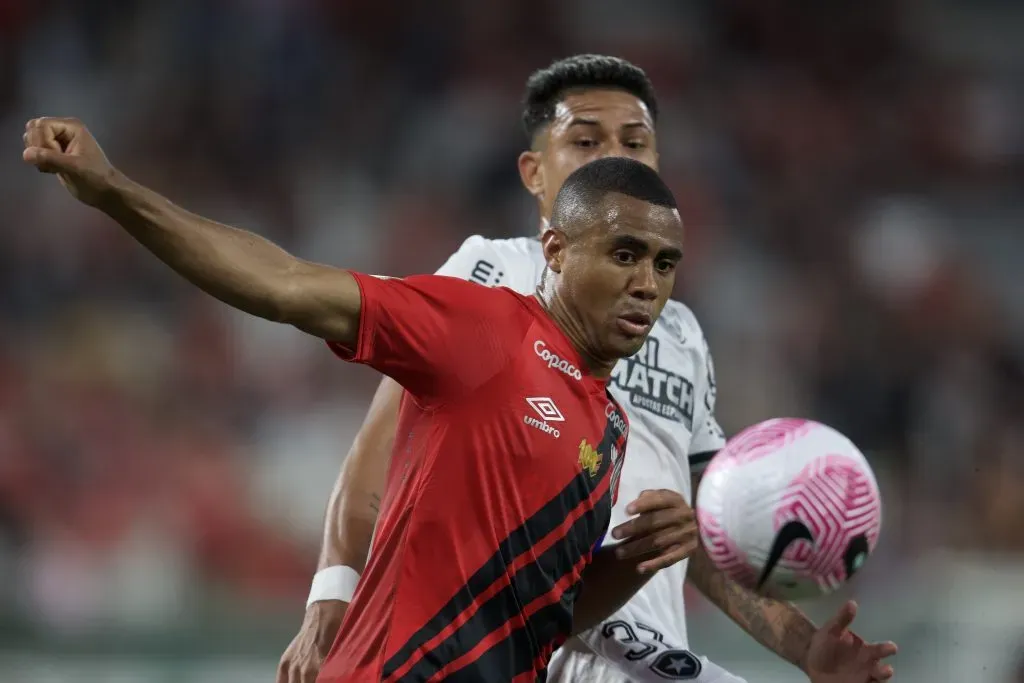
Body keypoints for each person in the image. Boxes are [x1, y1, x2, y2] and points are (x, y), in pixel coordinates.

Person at [277, 55, 899, 683]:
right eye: (585, 139)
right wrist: (330, 597)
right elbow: (378, 455)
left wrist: (805, 650)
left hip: (646, 659)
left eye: (636, 142)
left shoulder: (679, 332)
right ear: (534, 172)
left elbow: (707, 532)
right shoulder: (490, 272)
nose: (615, 155)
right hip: (514, 649)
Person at [22, 120, 700, 681]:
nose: (647, 282)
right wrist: (113, 191)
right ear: (554, 249)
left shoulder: (608, 426)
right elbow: (284, 285)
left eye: (663, 263)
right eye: (624, 254)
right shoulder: (487, 330)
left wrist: (636, 558)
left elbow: (543, 614)